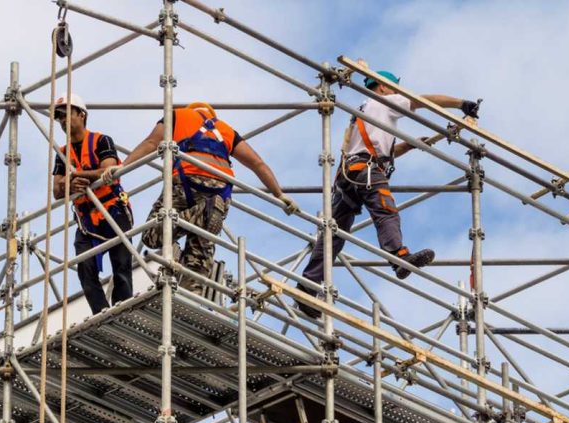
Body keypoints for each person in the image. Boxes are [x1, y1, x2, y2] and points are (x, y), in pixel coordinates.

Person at [295, 70, 481, 318]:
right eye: (393, 89)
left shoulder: (364, 111)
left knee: (333, 236)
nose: (396, 94)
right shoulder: (385, 101)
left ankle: (307, 287)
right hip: (367, 172)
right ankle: (398, 257)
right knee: (386, 211)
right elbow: (421, 101)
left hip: (349, 176)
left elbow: (383, 152)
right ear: (382, 87)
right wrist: (461, 103)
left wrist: (410, 144)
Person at [115, 102, 298, 294]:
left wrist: (123, 167)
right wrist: (279, 194)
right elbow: (257, 163)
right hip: (221, 191)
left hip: (186, 182)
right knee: (201, 249)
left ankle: (205, 212)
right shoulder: (226, 130)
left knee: (151, 235)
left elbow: (151, 143)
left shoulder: (178, 116)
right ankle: (192, 290)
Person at [52, 93, 133, 315]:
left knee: (122, 266)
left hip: (112, 210)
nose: (62, 121)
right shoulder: (62, 153)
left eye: (66, 114)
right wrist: (70, 183)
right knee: (85, 269)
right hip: (86, 219)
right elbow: (57, 191)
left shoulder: (101, 140)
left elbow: (110, 172)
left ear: (82, 114)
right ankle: (102, 313)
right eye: (58, 117)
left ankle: (123, 312)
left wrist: (79, 175)